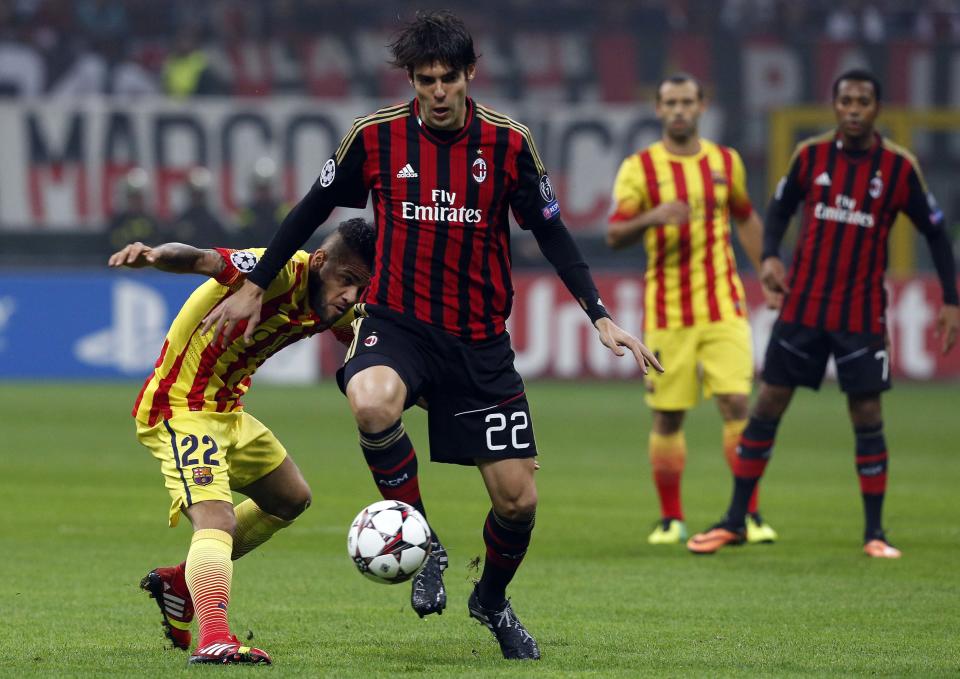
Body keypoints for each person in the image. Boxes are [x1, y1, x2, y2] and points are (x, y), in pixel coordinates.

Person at [199, 10, 662, 661]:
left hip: (478, 342)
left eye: (449, 78)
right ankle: (426, 542)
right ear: (411, 80)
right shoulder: (375, 135)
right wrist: (257, 280)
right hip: (397, 324)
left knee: (517, 500)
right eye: (425, 80)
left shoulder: (509, 143)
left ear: (470, 74)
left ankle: (491, 599)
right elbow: (311, 207)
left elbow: (551, 230)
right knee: (371, 400)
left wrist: (598, 311)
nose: (438, 92)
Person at [687, 69, 959, 558]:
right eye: (846, 100)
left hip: (860, 314)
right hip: (803, 306)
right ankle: (735, 520)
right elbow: (778, 207)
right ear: (834, 106)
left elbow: (937, 232)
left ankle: (875, 533)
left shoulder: (899, 168)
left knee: (867, 413)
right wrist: (770, 254)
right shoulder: (810, 156)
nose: (854, 109)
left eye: (863, 101)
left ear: (877, 109)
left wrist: (952, 300)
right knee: (767, 403)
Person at [109, 218, 375, 664]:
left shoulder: (337, 307)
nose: (350, 295)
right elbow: (201, 259)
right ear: (322, 261)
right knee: (216, 520)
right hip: (181, 406)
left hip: (227, 411)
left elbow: (370, 352)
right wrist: (154, 254)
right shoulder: (280, 270)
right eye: (347, 280)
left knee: (290, 498)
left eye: (360, 288)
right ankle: (214, 635)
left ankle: (179, 582)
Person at [607, 73, 779, 547]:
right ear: (659, 109)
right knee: (668, 416)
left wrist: (766, 266)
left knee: (738, 404)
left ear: (702, 105)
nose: (679, 110)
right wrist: (651, 217)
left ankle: (747, 514)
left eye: (687, 101)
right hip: (667, 314)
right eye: (670, 103)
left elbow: (744, 215)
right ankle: (671, 519)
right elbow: (615, 233)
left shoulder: (727, 162)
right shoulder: (639, 168)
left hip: (724, 305)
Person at [234, 157, 291, 247]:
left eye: (266, 188)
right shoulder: (246, 213)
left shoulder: (283, 211)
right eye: (260, 188)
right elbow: (240, 240)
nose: (263, 193)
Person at [170, 167, 231, 248]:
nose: (197, 197)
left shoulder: (214, 224)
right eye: (194, 193)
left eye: (200, 194)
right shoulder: (180, 223)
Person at [107, 167, 164, 252]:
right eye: (132, 197)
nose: (135, 201)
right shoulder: (117, 222)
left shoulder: (153, 222)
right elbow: (111, 248)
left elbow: (159, 246)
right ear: (126, 197)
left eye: (138, 197)